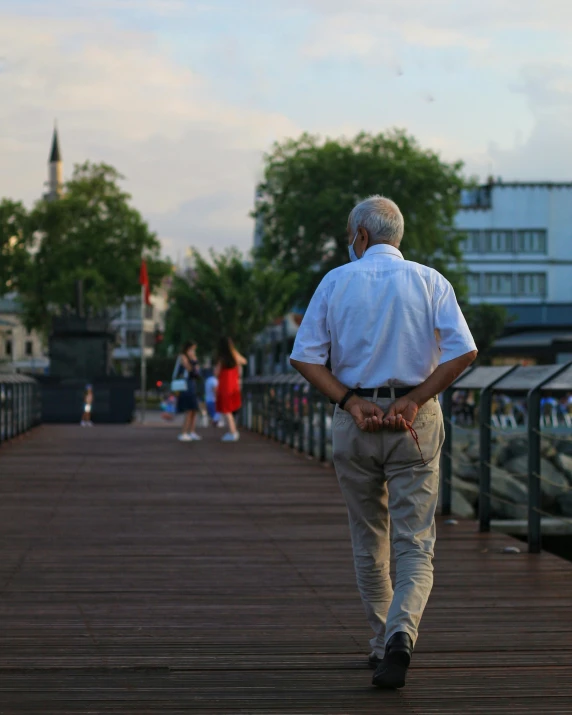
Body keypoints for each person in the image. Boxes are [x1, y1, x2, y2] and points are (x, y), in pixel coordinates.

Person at [290, 195, 477, 690]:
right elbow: (464, 351)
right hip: (413, 423)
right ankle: (402, 634)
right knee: (416, 543)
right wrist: (415, 399)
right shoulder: (430, 280)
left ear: (361, 236)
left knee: (368, 538)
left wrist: (351, 401)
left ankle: (380, 643)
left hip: (358, 423)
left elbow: (305, 358)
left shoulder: (336, 281)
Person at [215, 337, 247, 442]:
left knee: (226, 410)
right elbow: (244, 361)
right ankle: (232, 431)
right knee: (229, 410)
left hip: (224, 386)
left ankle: (232, 432)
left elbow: (216, 372)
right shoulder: (235, 356)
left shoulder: (222, 358)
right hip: (234, 386)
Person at [175, 341, 201, 442]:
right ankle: (183, 432)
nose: (193, 352)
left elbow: (197, 372)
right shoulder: (183, 357)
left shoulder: (192, 358)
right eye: (191, 349)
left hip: (192, 384)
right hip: (185, 385)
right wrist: (193, 360)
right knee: (189, 409)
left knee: (194, 409)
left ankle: (192, 431)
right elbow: (190, 368)